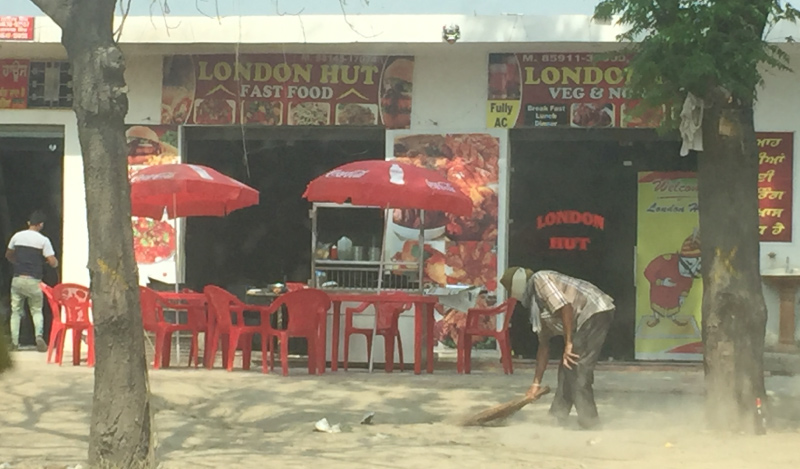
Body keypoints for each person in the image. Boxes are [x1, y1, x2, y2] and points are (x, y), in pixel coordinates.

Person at [500, 267, 615, 430]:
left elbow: (566, 307)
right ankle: (558, 415)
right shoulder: (537, 308)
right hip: (582, 320)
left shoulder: (540, 280)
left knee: (578, 367)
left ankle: (589, 421)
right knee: (568, 366)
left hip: (594, 310)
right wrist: (535, 384)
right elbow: (544, 347)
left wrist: (568, 343)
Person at [5, 211, 58, 352]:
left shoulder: (17, 236)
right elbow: (52, 261)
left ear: (29, 223)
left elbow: (8, 254)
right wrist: (54, 264)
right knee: (36, 310)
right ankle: (39, 336)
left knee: (16, 311)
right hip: (34, 280)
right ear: (40, 225)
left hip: (18, 279)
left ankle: (14, 342)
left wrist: (16, 262)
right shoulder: (43, 240)